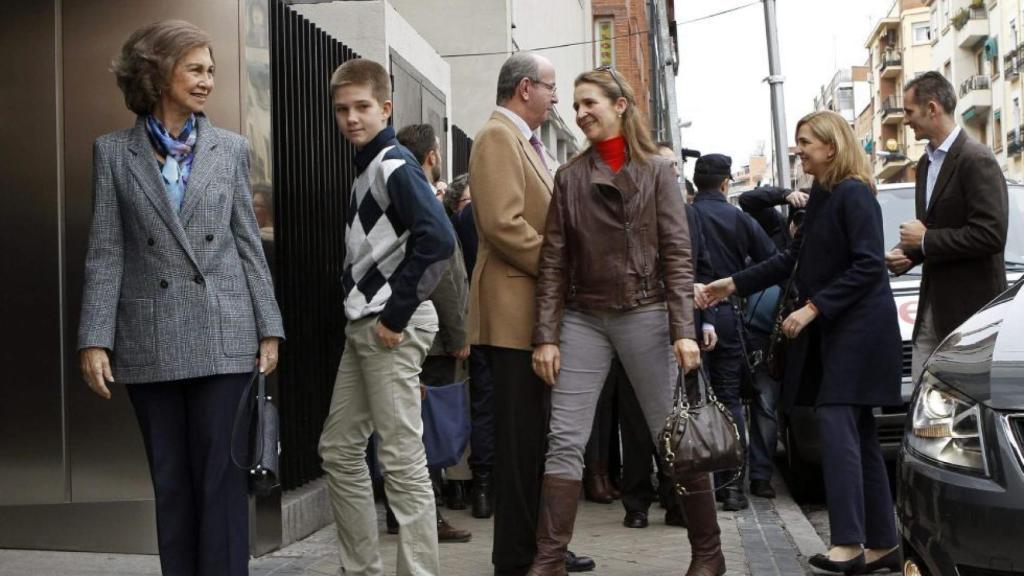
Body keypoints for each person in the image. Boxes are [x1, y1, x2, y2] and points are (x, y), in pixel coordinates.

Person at [77, 20, 285, 576]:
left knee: (221, 481)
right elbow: (105, 252)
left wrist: (270, 326)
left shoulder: (231, 149)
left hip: (224, 333)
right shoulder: (114, 153)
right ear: (157, 71)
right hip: (149, 337)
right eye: (195, 68)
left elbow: (248, 241)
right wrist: (94, 339)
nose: (207, 81)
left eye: (211, 70)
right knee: (171, 483)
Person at [529, 67, 720, 576]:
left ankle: (709, 554)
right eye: (575, 105)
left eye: (590, 102)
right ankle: (549, 561)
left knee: (671, 435)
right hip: (584, 317)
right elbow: (553, 263)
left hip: (646, 313)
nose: (580, 113)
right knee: (565, 438)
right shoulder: (568, 178)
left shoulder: (657, 171)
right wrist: (545, 335)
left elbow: (679, 255)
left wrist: (683, 329)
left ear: (620, 106)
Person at [703, 110, 902, 574]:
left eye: (805, 141)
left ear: (831, 147)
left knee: (838, 429)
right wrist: (730, 284)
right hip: (840, 333)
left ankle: (849, 544)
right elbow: (791, 258)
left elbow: (868, 264)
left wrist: (812, 308)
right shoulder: (825, 195)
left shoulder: (853, 193)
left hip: (860, 332)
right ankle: (883, 544)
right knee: (862, 437)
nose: (799, 150)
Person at [317, 58, 455, 576]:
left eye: (362, 107)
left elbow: (438, 239)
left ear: (386, 108)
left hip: (388, 326)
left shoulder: (395, 164)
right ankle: (362, 568)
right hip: (369, 325)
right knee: (338, 450)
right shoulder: (369, 168)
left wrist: (395, 315)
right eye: (342, 110)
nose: (351, 118)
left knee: (400, 457)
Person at [468, 52, 594, 575]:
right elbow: (502, 224)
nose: (557, 97)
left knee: (536, 444)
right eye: (550, 87)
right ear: (525, 88)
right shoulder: (498, 136)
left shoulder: (527, 142)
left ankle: (540, 550)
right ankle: (516, 560)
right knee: (520, 449)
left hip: (531, 315)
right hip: (512, 316)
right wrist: (562, 264)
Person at [615, 142, 717, 530]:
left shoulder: (689, 213)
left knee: (676, 420)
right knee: (635, 422)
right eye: (664, 165)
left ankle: (678, 504)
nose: (671, 172)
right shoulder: (629, 209)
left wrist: (703, 322)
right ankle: (636, 504)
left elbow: (701, 266)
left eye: (674, 165)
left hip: (680, 329)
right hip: (635, 322)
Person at [887, 71, 1008, 382]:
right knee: (924, 405)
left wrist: (925, 241)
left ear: (932, 109)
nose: (906, 121)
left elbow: (990, 234)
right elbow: (936, 230)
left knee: (966, 414)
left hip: (971, 318)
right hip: (931, 312)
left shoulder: (976, 159)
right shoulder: (925, 164)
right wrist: (910, 255)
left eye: (909, 112)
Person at [396, 123, 472, 543]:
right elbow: (440, 275)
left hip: (419, 333)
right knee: (428, 428)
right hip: (434, 339)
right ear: (431, 156)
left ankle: (406, 511)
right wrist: (459, 333)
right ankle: (425, 514)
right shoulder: (423, 199)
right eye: (438, 151)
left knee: (411, 426)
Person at [691, 153, 776, 511]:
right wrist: (740, 280)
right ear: (726, 183)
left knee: (693, 400)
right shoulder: (738, 219)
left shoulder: (683, 215)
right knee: (728, 398)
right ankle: (732, 486)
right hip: (726, 314)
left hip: (686, 314)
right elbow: (772, 260)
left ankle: (696, 485)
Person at [736, 184, 809, 499]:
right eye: (798, 219)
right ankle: (760, 476)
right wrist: (784, 196)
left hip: (806, 337)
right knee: (765, 406)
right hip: (765, 338)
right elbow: (748, 200)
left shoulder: (825, 242)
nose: (800, 227)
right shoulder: (777, 235)